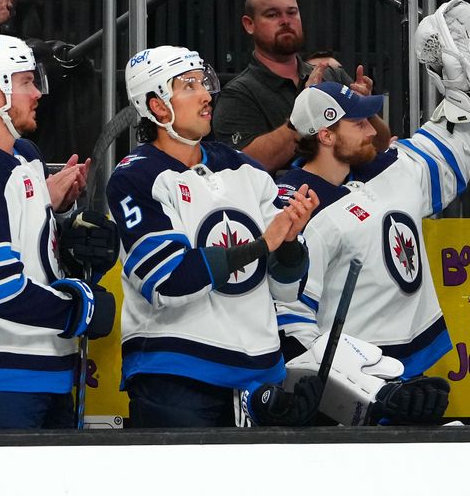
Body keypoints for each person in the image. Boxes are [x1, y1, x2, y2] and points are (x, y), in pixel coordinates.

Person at [274, 0, 470, 425]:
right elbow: (291, 322)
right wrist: (358, 391)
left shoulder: (385, 171)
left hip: (411, 370)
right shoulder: (293, 204)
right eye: (358, 122)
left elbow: (444, 156)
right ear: (325, 134)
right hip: (346, 394)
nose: (372, 128)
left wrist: (463, 90)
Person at [108, 45, 323, 428]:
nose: (207, 94)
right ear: (158, 105)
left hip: (257, 375)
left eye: (203, 82)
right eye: (188, 86)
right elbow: (168, 281)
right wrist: (262, 244)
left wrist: (289, 239)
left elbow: (286, 288)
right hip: (178, 380)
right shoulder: (135, 176)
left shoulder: (242, 167)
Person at [0, 34, 116, 429]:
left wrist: (67, 235)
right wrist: (78, 309)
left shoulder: (25, 157)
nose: (38, 92)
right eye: (25, 82)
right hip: (3, 380)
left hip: (54, 369)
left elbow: (30, 253)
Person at [212, 0, 391, 173]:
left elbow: (380, 145)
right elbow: (247, 166)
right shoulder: (237, 95)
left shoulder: (332, 75)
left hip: (350, 193)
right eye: (272, 15)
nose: (285, 21)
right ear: (249, 24)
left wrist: (366, 110)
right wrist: (306, 112)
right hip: (286, 200)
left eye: (292, 12)